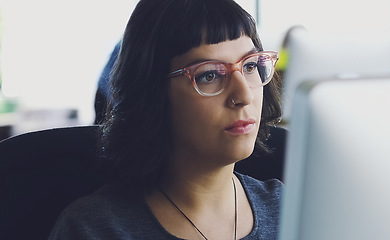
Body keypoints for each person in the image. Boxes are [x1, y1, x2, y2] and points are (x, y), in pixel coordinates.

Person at [48, 0, 283, 239]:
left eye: (251, 66)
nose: (244, 95)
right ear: (152, 94)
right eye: (209, 75)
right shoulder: (96, 229)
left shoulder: (287, 211)